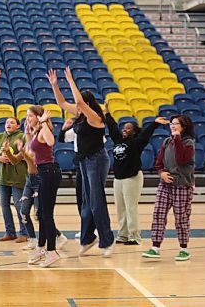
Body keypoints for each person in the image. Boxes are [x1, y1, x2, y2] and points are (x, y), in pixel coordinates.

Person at [47, 68, 115, 258]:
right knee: (86, 201)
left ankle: (107, 240)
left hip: (97, 160)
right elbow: (61, 102)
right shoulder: (81, 116)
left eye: (80, 105)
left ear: (87, 104)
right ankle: (87, 238)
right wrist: (54, 85)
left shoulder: (95, 118)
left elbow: (78, 102)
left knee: (96, 201)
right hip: (84, 161)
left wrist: (70, 81)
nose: (76, 108)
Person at [105, 103, 168, 245]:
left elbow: (146, 135)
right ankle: (123, 234)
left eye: (128, 128)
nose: (124, 130)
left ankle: (135, 236)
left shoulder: (137, 142)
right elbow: (112, 126)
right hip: (118, 179)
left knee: (130, 207)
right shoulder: (118, 140)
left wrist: (154, 123)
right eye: (124, 127)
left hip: (132, 178)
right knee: (120, 208)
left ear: (134, 131)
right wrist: (107, 112)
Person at [143, 115, 195, 261]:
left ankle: (184, 249)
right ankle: (155, 247)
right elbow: (158, 163)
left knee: (181, 217)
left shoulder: (189, 143)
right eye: (171, 123)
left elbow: (182, 159)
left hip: (183, 186)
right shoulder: (167, 142)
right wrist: (162, 173)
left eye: (176, 124)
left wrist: (177, 138)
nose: (172, 126)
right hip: (166, 184)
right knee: (158, 213)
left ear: (183, 126)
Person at [25, 106, 62, 268]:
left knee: (47, 214)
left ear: (38, 117)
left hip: (49, 172)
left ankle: (52, 251)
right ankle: (41, 248)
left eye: (30, 116)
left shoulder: (43, 130)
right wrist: (28, 133)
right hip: (43, 172)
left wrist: (44, 121)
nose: (27, 118)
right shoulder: (36, 133)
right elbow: (31, 153)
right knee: (41, 212)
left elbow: (51, 141)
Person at [0, 117, 28, 243]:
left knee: (19, 206)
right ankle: (10, 232)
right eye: (7, 122)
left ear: (18, 126)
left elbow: (28, 155)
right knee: (4, 206)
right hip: (3, 177)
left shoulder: (23, 137)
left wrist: (13, 157)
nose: (8, 124)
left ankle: (24, 233)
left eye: (12, 122)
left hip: (18, 177)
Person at [58, 119, 83, 239]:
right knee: (80, 198)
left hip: (92, 163)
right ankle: (85, 227)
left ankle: (95, 228)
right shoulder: (77, 128)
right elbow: (62, 139)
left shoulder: (95, 125)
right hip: (80, 165)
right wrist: (63, 129)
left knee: (91, 198)